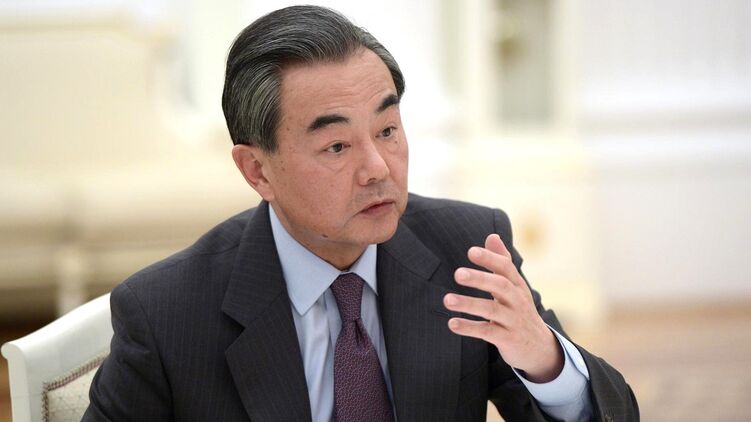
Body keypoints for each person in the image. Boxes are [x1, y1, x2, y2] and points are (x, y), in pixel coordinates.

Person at [84, 5, 638, 422]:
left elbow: (608, 412)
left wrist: (544, 359)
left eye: (387, 130)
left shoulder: (466, 249)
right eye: (337, 146)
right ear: (257, 171)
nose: (377, 168)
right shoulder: (167, 313)